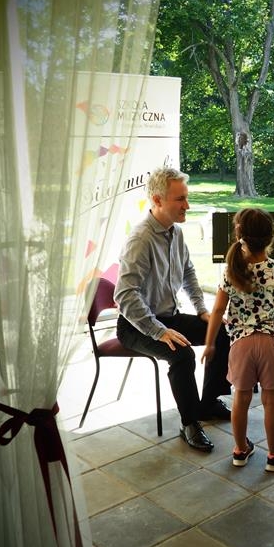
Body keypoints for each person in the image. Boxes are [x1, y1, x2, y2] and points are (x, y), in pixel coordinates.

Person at [114, 166, 231, 452]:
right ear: (157, 200)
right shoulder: (141, 239)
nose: (187, 205)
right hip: (136, 326)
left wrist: (202, 310)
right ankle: (190, 422)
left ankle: (207, 403)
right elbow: (125, 295)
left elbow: (188, 272)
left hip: (169, 317)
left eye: (186, 198)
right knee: (182, 355)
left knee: (220, 331)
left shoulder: (175, 232)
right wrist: (159, 331)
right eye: (180, 199)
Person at [201, 207, 274, 472]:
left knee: (241, 399)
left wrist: (210, 344)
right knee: (271, 400)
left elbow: (218, 311)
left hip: (240, 344)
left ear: (239, 235)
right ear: (271, 236)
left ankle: (240, 450)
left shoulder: (231, 272)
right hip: (272, 343)